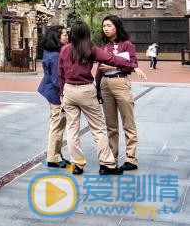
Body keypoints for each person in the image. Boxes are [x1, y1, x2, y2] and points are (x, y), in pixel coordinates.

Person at [58, 21, 136, 176]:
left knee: (72, 129)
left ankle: (77, 164)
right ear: (87, 34)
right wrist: (130, 63)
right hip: (86, 90)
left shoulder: (65, 49)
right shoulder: (91, 49)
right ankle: (107, 164)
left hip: (68, 90)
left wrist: (62, 93)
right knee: (98, 128)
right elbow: (111, 59)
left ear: (72, 33)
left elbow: (60, 73)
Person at [96, 15, 147, 171]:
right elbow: (99, 69)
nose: (106, 28)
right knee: (111, 125)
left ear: (117, 27)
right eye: (104, 26)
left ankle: (131, 158)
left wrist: (112, 66)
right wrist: (97, 86)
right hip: (105, 84)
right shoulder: (102, 47)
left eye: (109, 25)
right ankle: (112, 157)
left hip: (120, 82)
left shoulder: (127, 45)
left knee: (128, 122)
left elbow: (133, 65)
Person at [37, 25, 70, 168]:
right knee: (57, 125)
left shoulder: (49, 52)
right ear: (56, 37)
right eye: (64, 35)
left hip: (50, 91)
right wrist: (65, 94)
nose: (67, 37)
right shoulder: (56, 55)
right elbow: (57, 80)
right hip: (56, 94)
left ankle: (56, 154)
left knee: (56, 124)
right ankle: (53, 158)